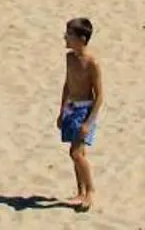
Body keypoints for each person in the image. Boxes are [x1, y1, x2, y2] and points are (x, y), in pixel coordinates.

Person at [57, 17, 102, 214]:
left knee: (75, 153)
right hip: (71, 108)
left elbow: (99, 96)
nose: (65, 38)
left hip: (85, 111)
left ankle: (90, 191)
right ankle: (80, 191)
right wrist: (61, 111)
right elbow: (67, 85)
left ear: (82, 39)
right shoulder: (69, 58)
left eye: (69, 35)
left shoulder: (92, 63)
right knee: (77, 154)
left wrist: (88, 123)